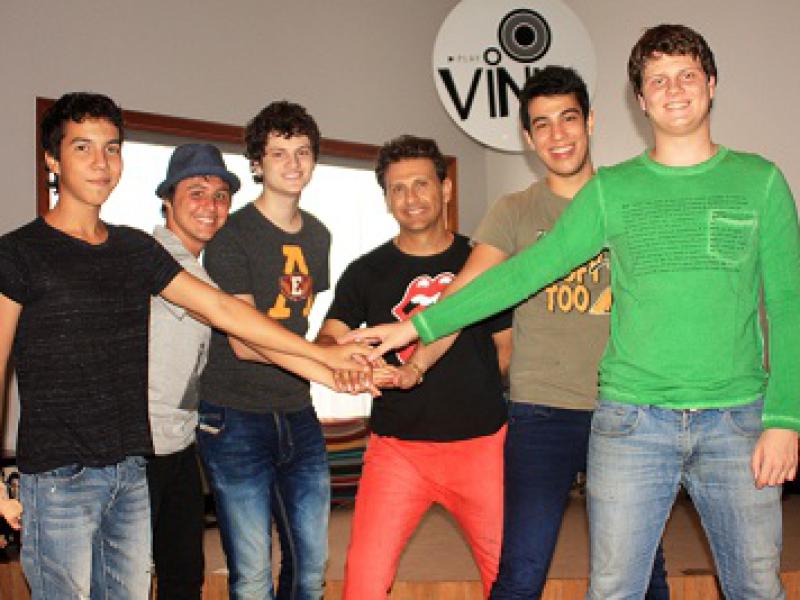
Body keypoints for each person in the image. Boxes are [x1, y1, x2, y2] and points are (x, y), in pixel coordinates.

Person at [348, 24, 800, 600]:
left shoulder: (761, 182)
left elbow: (787, 306)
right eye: (658, 80)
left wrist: (785, 420)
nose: (674, 90)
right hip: (633, 420)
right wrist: (418, 325)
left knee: (757, 587)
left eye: (687, 75)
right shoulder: (612, 190)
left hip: (736, 418)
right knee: (613, 589)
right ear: (640, 100)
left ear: (711, 84)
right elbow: (526, 272)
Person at [0, 92, 366, 600]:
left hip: (135, 466)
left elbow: (224, 311)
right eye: (83, 147)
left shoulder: (134, 249)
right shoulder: (18, 252)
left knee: (174, 580)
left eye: (112, 148)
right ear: (52, 159)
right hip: (61, 476)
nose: (101, 162)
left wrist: (326, 362)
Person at [400, 66, 668, 599]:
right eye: (542, 124)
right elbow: (466, 295)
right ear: (528, 137)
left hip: (627, 409)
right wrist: (417, 360)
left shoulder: (629, 201)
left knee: (644, 572)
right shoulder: (515, 211)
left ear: (590, 122)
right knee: (521, 573)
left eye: (568, 118)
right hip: (542, 412)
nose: (557, 135)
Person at [317, 135, 511, 598]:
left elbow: (506, 351)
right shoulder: (365, 271)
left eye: (421, 184)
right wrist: (346, 362)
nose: (410, 198)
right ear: (386, 199)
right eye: (397, 188)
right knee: (363, 582)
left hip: (482, 448)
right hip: (397, 452)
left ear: (445, 189)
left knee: (509, 580)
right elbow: (329, 338)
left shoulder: (479, 261)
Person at [197, 101, 333, 599]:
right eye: (279, 153)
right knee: (253, 576)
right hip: (234, 415)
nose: (293, 163)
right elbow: (247, 341)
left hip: (297, 410)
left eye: (303, 152)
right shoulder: (230, 237)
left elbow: (301, 321)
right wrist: (326, 364)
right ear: (257, 164)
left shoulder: (319, 235)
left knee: (311, 568)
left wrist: (339, 355)